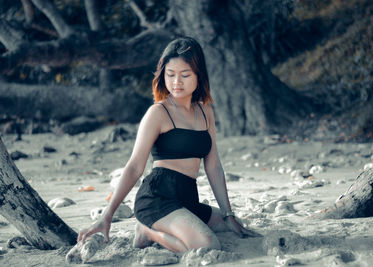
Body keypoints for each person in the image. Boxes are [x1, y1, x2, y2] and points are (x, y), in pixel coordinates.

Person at [77, 36, 260, 253]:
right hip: (157, 198)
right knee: (208, 246)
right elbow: (135, 166)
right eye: (170, 75)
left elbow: (213, 166)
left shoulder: (206, 111)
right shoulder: (158, 113)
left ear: (198, 75)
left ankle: (171, 228)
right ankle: (148, 231)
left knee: (234, 228)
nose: (176, 82)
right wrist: (106, 215)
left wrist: (228, 214)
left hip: (187, 199)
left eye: (185, 75)